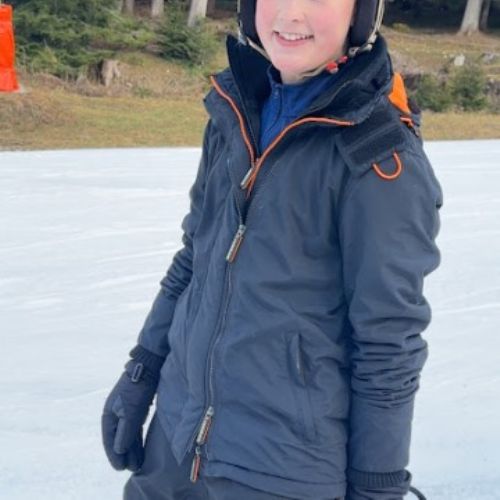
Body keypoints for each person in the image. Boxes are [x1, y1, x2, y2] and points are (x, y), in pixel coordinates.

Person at [101, 0, 443, 499]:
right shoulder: (236, 108)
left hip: (282, 472)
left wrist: (377, 486)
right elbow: (194, 260)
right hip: (174, 443)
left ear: (362, 13)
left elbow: (388, 344)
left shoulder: (378, 158)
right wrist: (143, 369)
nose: (290, 14)